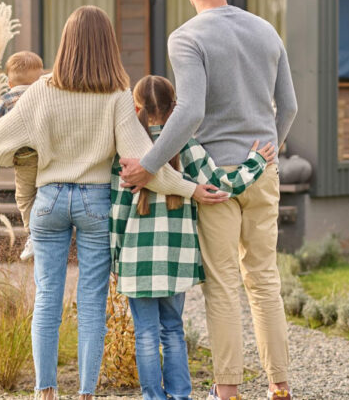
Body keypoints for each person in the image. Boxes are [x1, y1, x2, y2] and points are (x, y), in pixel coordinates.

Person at [0, 6, 228, 400]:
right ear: (108, 46)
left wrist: (32, 157)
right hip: (95, 204)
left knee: (47, 297)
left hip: (47, 201)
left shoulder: (40, 91)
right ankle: (85, 394)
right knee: (92, 303)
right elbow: (144, 166)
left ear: (65, 45)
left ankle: (45, 392)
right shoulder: (116, 97)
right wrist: (191, 189)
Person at [119, 0, 299, 400]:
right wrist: (271, 149)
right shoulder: (265, 30)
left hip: (213, 178)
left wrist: (149, 164)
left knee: (222, 286)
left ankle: (230, 390)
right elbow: (290, 106)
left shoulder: (185, 37)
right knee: (264, 279)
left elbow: (191, 111)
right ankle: (279, 383)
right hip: (262, 170)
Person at [110, 75, 275, 400]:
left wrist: (115, 260)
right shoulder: (186, 145)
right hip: (177, 259)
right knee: (172, 329)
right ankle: (180, 395)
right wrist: (257, 162)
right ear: (176, 108)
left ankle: (153, 397)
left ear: (136, 106)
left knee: (144, 334)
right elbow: (221, 184)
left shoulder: (127, 149)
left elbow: (117, 212)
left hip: (136, 261)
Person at [0, 50, 44, 261]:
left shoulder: (6, 100)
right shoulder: (44, 95)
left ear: (9, 82)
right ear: (40, 78)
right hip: (47, 155)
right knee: (45, 192)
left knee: (25, 197)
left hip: (24, 159)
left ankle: (34, 234)